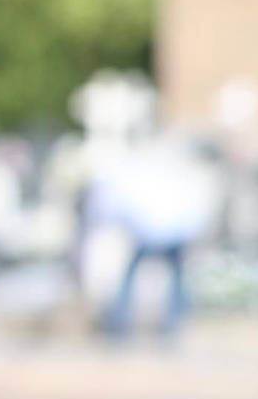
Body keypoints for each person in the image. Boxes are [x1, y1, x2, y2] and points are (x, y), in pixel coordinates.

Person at [93, 133, 220, 338]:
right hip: (161, 229)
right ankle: (169, 324)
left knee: (150, 276)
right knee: (171, 278)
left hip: (154, 229)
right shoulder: (170, 170)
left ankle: (126, 322)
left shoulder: (143, 169)